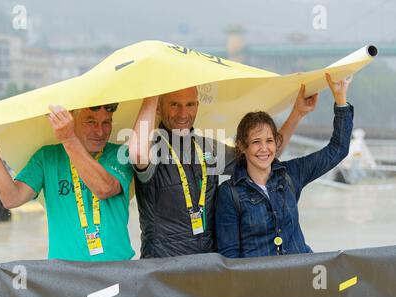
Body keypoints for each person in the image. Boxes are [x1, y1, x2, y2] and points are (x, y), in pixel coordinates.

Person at [129, 85, 319, 258]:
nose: (183, 113)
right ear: (159, 109)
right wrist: (151, 96)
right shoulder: (150, 148)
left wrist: (297, 114)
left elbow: (262, 155)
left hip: (207, 265)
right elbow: (137, 154)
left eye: (189, 104)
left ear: (197, 105)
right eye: (174, 104)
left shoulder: (207, 148)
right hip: (165, 267)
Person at [0, 103, 135, 262]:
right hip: (63, 273)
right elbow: (11, 199)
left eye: (107, 123)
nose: (100, 132)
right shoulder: (47, 157)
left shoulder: (121, 153)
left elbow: (104, 189)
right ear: (71, 119)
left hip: (117, 269)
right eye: (91, 122)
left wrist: (68, 139)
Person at [215, 73, 354, 258]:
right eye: (256, 141)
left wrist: (340, 99)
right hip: (263, 282)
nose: (264, 149)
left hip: (301, 274)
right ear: (241, 146)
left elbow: (338, 150)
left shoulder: (291, 175)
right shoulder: (228, 193)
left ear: (276, 143)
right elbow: (229, 257)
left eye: (269, 141)